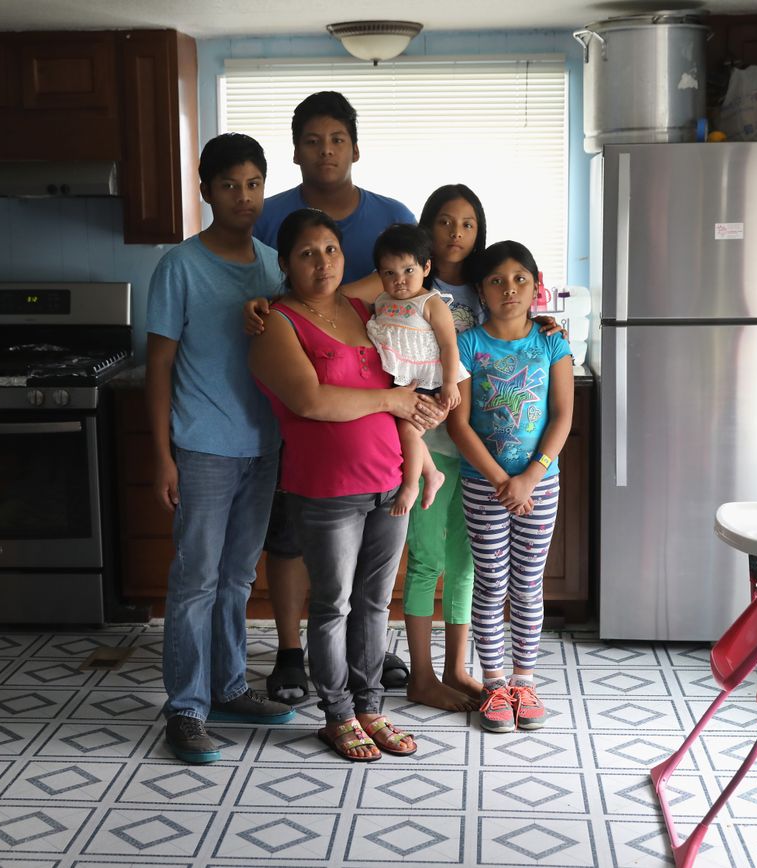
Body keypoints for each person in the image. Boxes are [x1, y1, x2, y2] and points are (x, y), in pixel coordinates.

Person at [250, 208, 433, 761]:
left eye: (330, 249)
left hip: (389, 482)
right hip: (328, 490)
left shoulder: (364, 309)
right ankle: (337, 714)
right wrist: (393, 400)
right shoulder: (275, 324)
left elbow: (420, 275)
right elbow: (310, 400)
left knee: (376, 603)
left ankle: (370, 706)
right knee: (332, 606)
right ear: (284, 264)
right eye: (306, 253)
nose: (321, 261)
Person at [251, 91, 416, 702]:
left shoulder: (389, 216)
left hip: (379, 450)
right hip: (300, 428)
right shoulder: (268, 217)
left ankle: (361, 675)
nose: (326, 151)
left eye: (337, 139)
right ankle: (295, 656)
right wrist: (259, 308)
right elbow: (253, 285)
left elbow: (419, 285)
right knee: (296, 547)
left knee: (366, 588)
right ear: (295, 152)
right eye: (313, 140)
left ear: (355, 147)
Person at [145, 133, 296, 765]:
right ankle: (185, 706)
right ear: (205, 190)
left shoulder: (272, 265)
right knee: (195, 581)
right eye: (229, 184)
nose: (244, 196)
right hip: (202, 447)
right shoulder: (179, 266)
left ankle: (230, 687)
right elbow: (159, 368)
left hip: (263, 445)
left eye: (254, 183)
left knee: (237, 577)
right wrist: (162, 455)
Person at [447, 240, 574, 733]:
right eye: (497, 280)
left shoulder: (551, 343)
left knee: (526, 583)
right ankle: (495, 683)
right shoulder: (469, 344)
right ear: (481, 289)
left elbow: (563, 417)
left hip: (540, 485)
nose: (510, 289)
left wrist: (531, 476)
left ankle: (525, 680)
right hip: (486, 486)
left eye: (521, 279)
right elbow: (459, 426)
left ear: (537, 286)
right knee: (491, 580)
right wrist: (504, 481)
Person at [399, 185, 491, 711]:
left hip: (477, 450)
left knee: (465, 563)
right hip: (426, 448)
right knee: (427, 560)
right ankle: (422, 676)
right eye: (445, 221)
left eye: (468, 224)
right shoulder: (408, 286)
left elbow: (519, 329)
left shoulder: (486, 288)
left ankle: (457, 669)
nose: (456, 233)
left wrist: (545, 324)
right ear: (427, 228)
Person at [365, 223, 464, 516]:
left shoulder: (431, 303)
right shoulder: (382, 302)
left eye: (408, 270)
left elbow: (449, 345)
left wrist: (449, 383)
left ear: (426, 266)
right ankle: (432, 473)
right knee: (399, 432)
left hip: (426, 380)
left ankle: (412, 484)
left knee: (407, 431)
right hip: (396, 383)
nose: (399, 280)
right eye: (389, 273)